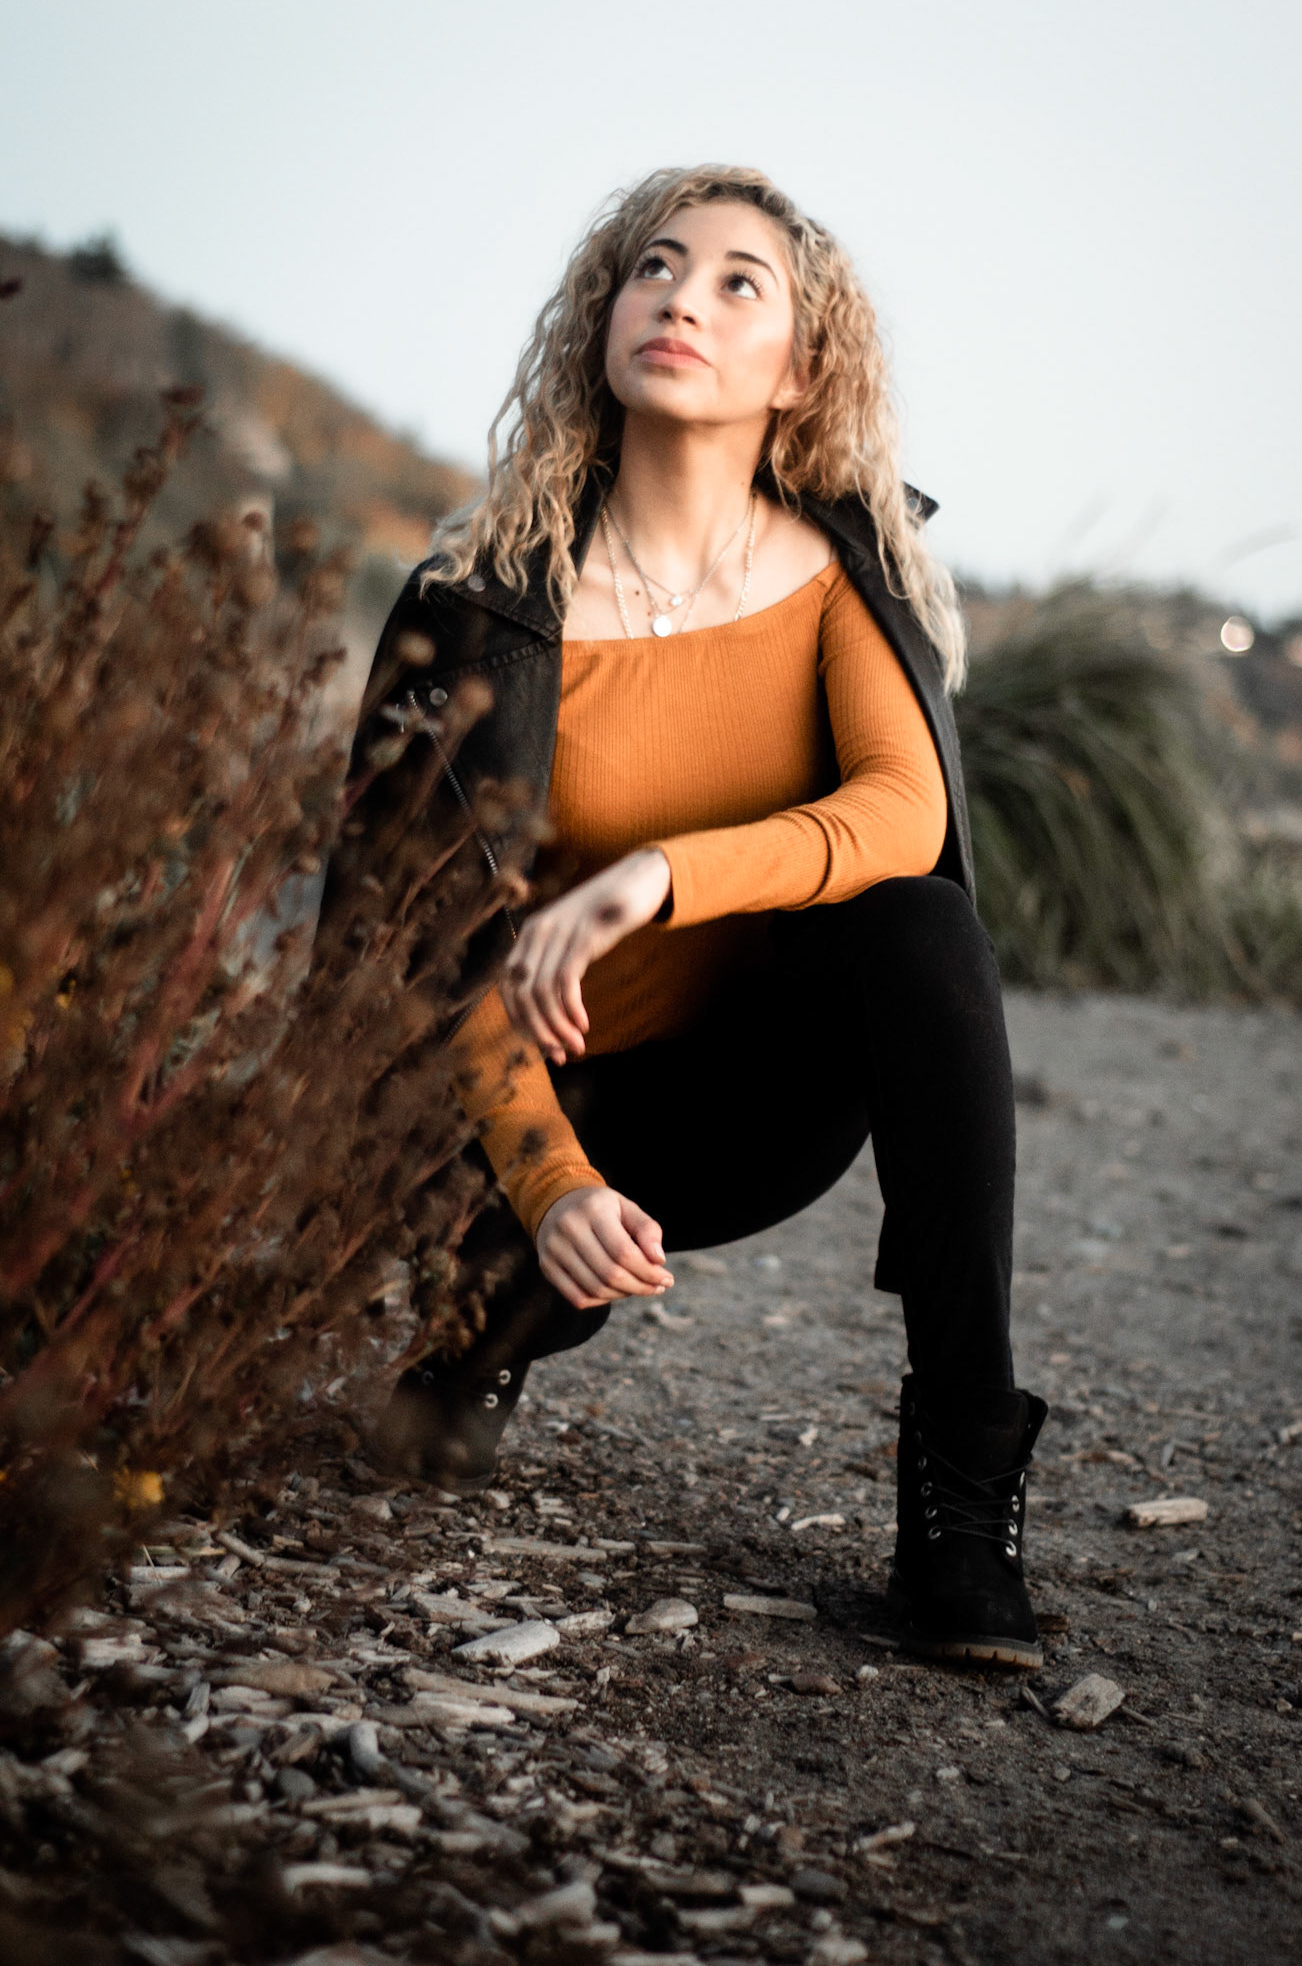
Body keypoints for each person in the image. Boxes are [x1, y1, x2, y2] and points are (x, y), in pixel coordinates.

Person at [357, 165, 1048, 1670]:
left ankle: (962, 1479)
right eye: (656, 267)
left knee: (921, 930)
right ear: (602, 320)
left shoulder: (844, 575)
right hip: (513, 1117)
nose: (684, 298)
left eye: (743, 283)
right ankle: (485, 1327)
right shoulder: (479, 599)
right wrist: (552, 1185)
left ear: (799, 370)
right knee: (447, 1399)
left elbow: (902, 813)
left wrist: (658, 871)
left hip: (742, 1101)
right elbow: (421, 944)